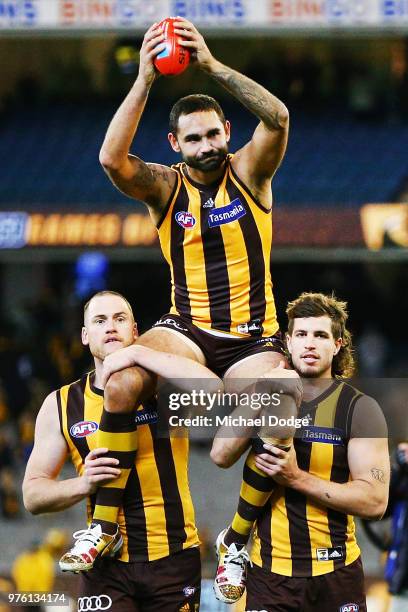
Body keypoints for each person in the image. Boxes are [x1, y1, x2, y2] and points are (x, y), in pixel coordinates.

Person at [64, 16, 302, 576]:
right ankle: (102, 526)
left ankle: (235, 539)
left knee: (282, 401)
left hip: (253, 340)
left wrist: (212, 65)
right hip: (186, 332)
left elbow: (279, 117)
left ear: (226, 130)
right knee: (120, 381)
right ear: (176, 143)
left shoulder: (251, 171)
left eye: (214, 133)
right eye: (193, 139)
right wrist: (145, 78)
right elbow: (110, 161)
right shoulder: (165, 186)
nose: (206, 146)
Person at [23, 290, 222, 611]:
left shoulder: (163, 389)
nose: (110, 327)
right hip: (105, 561)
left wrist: (141, 356)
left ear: (135, 331)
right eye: (100, 321)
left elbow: (214, 390)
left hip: (172, 556)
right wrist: (84, 483)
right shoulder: (61, 404)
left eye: (120, 319)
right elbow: (32, 496)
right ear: (85, 337)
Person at [211, 292, 390, 610]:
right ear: (287, 342)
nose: (310, 343)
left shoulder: (360, 409)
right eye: (302, 334)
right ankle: (234, 541)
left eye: (321, 335)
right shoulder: (263, 396)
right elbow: (221, 455)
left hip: (337, 573)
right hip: (271, 577)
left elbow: (375, 501)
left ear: (337, 345)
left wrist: (295, 477)